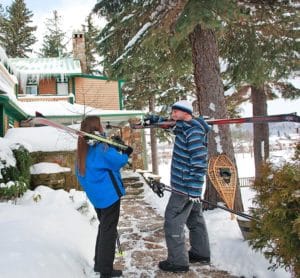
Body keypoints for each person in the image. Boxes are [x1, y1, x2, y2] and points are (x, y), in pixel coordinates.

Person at [76, 116, 133, 278]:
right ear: (96, 127)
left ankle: (99, 263)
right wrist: (126, 152)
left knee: (104, 228)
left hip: (97, 198)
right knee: (108, 231)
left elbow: (80, 174)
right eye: (100, 124)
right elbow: (118, 161)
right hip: (109, 196)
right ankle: (106, 270)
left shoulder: (83, 149)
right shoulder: (101, 148)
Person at [158, 100, 211, 273]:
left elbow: (199, 162)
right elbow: (173, 127)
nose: (172, 114)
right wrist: (154, 121)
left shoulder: (194, 132)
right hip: (188, 186)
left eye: (175, 112)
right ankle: (200, 253)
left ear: (186, 113)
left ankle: (178, 262)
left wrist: (195, 189)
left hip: (185, 187)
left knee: (172, 221)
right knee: (195, 219)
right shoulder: (185, 128)